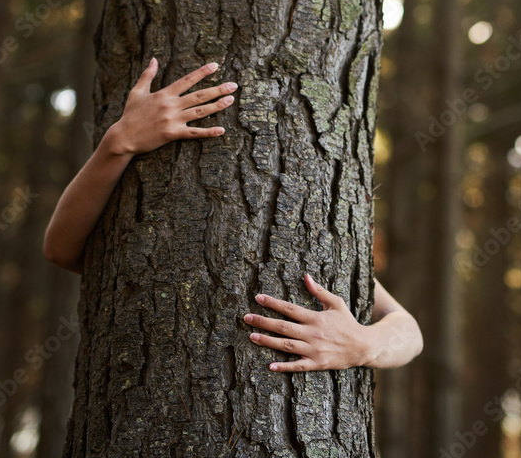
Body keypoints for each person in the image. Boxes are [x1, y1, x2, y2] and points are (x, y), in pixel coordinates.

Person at [43, 58, 423, 372]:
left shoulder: (330, 248)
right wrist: (118, 143)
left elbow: (409, 331)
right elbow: (61, 248)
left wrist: (365, 344)